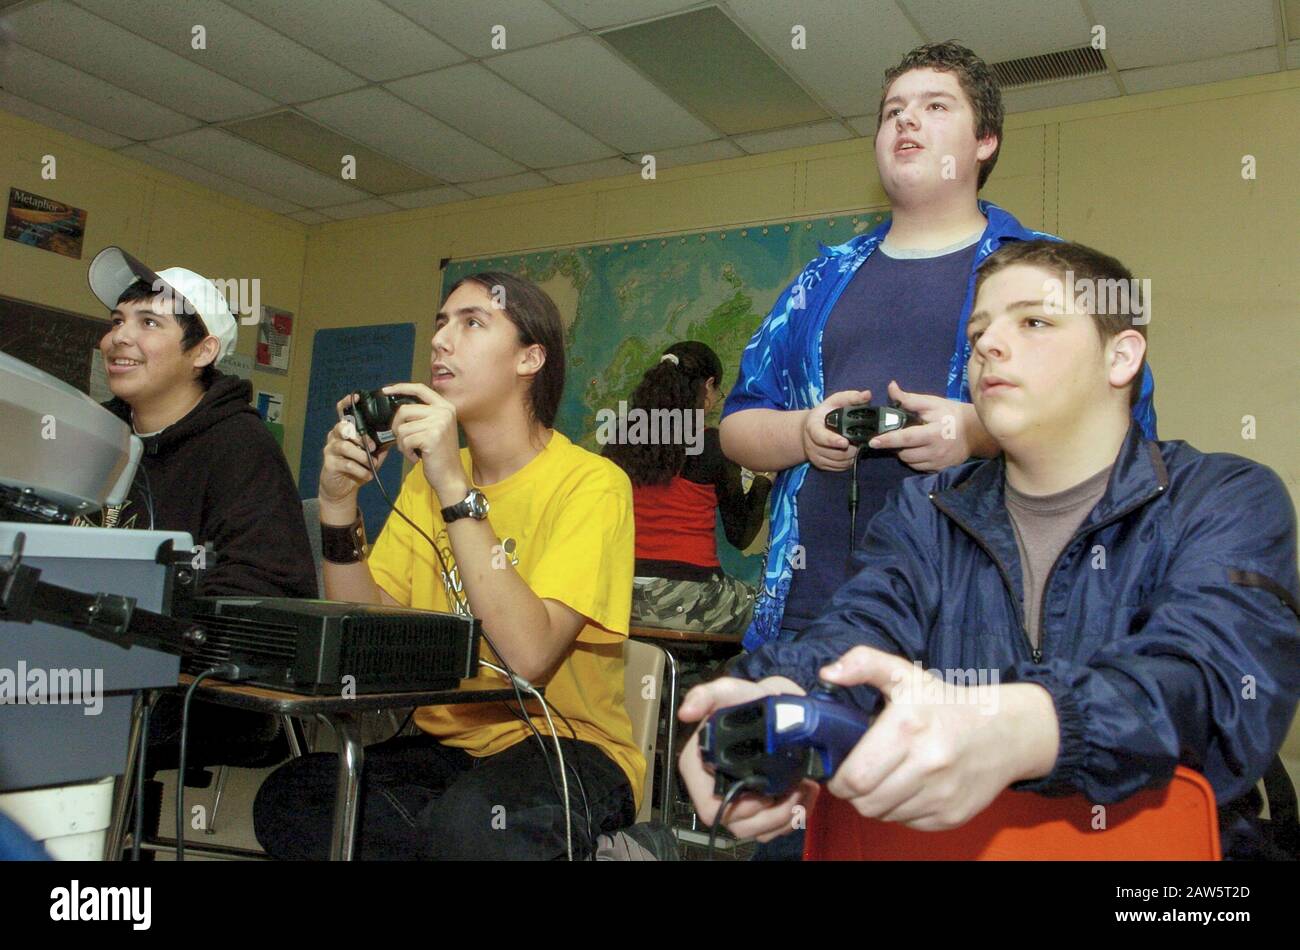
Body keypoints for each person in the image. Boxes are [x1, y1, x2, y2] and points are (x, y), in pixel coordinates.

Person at [679, 240, 1300, 860]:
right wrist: (771, 694)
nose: (988, 346)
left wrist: (1021, 727)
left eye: (1033, 321)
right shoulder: (926, 510)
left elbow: (1209, 683)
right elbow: (853, 640)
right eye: (978, 332)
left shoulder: (1224, 497)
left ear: (1121, 357)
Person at [718, 42, 1159, 658]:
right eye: (892, 109)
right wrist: (803, 433)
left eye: (935, 105)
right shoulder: (821, 280)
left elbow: (1131, 432)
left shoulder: (1049, 274)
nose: (905, 119)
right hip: (813, 613)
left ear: (985, 142)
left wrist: (977, 435)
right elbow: (737, 426)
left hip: (987, 620)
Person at [253, 272, 642, 860]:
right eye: (440, 324)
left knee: (473, 828)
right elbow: (370, 637)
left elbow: (527, 660)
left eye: (472, 323)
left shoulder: (592, 485)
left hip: (566, 744)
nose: (440, 340)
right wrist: (337, 508)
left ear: (530, 358)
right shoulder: (424, 482)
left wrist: (453, 487)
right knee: (294, 798)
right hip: (450, 744)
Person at [85, 246, 317, 853]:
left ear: (203, 351)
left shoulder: (241, 448)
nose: (119, 338)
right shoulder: (92, 436)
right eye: (117, 321)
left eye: (148, 323)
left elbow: (271, 586)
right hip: (88, 648)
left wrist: (151, 610)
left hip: (203, 684)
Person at [603, 341, 772, 636]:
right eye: (717, 393)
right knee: (772, 612)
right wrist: (764, 480)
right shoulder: (711, 444)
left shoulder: (618, 440)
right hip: (688, 597)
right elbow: (741, 536)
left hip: (619, 598)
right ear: (707, 387)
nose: (717, 401)